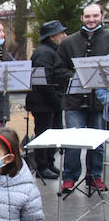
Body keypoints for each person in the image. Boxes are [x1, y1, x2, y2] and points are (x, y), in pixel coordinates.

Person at [53, 2, 109, 193]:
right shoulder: (68, 42)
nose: (91, 20)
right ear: (82, 18)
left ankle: (95, 177)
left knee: (97, 141)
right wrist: (79, 77)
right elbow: (58, 69)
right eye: (87, 16)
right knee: (73, 142)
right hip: (74, 100)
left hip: (99, 101)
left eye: (95, 16)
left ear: (102, 16)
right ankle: (69, 177)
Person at [27, 20, 67, 180]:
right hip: (43, 102)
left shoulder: (51, 51)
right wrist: (56, 101)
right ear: (52, 37)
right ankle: (42, 167)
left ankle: (49, 163)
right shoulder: (44, 53)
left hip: (48, 102)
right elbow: (45, 81)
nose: (64, 35)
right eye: (61, 33)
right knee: (43, 134)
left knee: (54, 133)